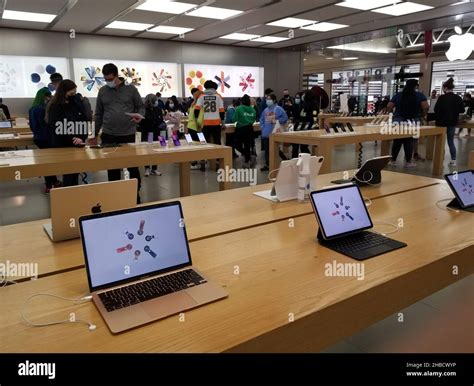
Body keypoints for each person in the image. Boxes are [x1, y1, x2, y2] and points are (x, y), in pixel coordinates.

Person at [94, 63, 145, 203]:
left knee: (132, 166)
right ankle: (115, 196)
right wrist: (94, 133)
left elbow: (141, 106)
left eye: (110, 79)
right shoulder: (103, 91)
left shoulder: (131, 89)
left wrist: (139, 115)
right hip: (109, 134)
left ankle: (135, 194)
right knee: (112, 167)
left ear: (117, 76)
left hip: (128, 133)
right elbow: (98, 113)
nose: (108, 82)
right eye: (106, 80)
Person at [46, 80, 88, 186]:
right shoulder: (55, 106)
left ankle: (74, 194)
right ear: (63, 92)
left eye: (74, 93)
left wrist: (82, 137)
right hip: (63, 143)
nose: (73, 95)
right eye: (71, 94)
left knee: (75, 172)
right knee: (68, 173)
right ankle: (68, 196)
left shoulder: (75, 102)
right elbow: (57, 127)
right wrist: (73, 139)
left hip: (77, 143)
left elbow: (84, 120)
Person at [386, 79, 428, 168]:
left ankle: (393, 161)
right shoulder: (420, 95)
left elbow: (389, 106)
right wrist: (423, 115)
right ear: (416, 86)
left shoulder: (398, 95)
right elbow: (425, 107)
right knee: (409, 141)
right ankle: (408, 162)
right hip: (413, 120)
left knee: (397, 140)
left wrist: (392, 114)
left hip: (398, 120)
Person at [29, 87, 61, 193]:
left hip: (37, 137)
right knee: (49, 163)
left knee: (46, 161)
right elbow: (47, 124)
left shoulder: (32, 109)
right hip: (46, 138)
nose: (49, 98)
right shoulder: (43, 109)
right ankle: (49, 185)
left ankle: (54, 181)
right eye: (48, 96)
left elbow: (32, 126)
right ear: (44, 97)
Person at [435, 78, 465, 167]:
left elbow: (436, 109)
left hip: (441, 123)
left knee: (440, 141)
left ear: (445, 88)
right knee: (450, 141)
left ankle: (440, 157)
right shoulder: (458, 98)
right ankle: (453, 160)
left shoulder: (441, 98)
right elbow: (462, 110)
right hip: (452, 122)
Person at [259, 94, 288, 172]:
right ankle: (268, 164)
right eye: (267, 99)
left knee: (274, 149)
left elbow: (285, 118)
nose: (267, 101)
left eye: (269, 99)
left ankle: (279, 161)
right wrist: (262, 127)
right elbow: (261, 120)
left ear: (274, 100)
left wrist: (277, 121)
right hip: (266, 133)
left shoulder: (278, 109)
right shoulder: (265, 110)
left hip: (274, 132)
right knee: (267, 149)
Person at [194, 80, 225, 146]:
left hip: (205, 123)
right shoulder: (218, 96)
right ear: (214, 87)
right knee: (217, 141)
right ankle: (218, 155)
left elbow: (196, 109)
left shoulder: (201, 96)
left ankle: (206, 156)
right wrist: (223, 122)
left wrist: (196, 120)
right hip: (216, 123)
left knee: (205, 142)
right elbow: (221, 111)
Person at [140, 94, 164, 177]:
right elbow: (143, 122)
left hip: (157, 132)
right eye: (155, 100)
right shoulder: (144, 110)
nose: (156, 102)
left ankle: (154, 168)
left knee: (156, 150)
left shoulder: (158, 109)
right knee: (147, 150)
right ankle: (147, 168)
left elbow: (161, 119)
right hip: (148, 133)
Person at [233, 94, 256, 168]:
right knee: (247, 145)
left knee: (236, 144)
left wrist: (238, 124)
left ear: (242, 101)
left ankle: (247, 155)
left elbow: (234, 119)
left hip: (240, 129)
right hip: (250, 128)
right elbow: (253, 120)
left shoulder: (239, 108)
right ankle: (247, 160)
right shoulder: (253, 109)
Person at [187, 88, 205, 170]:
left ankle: (195, 162)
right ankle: (200, 163)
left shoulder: (193, 104)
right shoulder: (198, 105)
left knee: (194, 146)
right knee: (200, 146)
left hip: (192, 126)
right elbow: (200, 117)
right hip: (196, 128)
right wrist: (200, 125)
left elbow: (191, 116)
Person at [291, 92, 310, 158]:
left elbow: (306, 117)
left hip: (303, 127)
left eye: (298, 97)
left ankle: (306, 159)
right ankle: (294, 160)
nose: (297, 99)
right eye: (296, 97)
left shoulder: (305, 106)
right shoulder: (294, 105)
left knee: (304, 146)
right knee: (295, 146)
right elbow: (294, 115)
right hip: (295, 127)